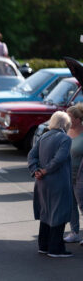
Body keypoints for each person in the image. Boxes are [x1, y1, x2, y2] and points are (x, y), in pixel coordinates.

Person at [28, 111, 73, 258]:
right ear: (66, 124)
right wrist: (45, 170)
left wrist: (36, 170)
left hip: (42, 182)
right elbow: (59, 159)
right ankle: (56, 249)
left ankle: (44, 245)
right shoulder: (65, 138)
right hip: (58, 181)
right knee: (59, 213)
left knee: (45, 212)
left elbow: (31, 155)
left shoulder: (43, 136)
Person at [63, 103, 83, 243]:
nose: (67, 120)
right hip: (66, 175)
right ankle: (74, 232)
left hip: (81, 177)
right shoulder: (65, 132)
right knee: (70, 205)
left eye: (69, 117)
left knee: (82, 205)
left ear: (78, 119)